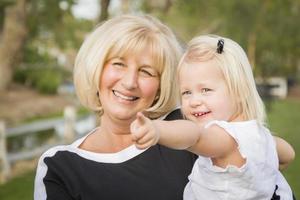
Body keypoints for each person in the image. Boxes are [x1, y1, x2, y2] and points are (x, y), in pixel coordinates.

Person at [34, 14, 197, 200]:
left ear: (161, 86)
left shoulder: (185, 130)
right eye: (118, 64)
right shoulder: (60, 166)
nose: (129, 83)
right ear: (96, 69)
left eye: (146, 71)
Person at [131, 35, 295, 200]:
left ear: (239, 91)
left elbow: (194, 136)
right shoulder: (262, 136)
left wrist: (157, 129)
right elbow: (288, 155)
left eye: (206, 90)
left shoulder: (225, 138)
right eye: (187, 92)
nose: (194, 101)